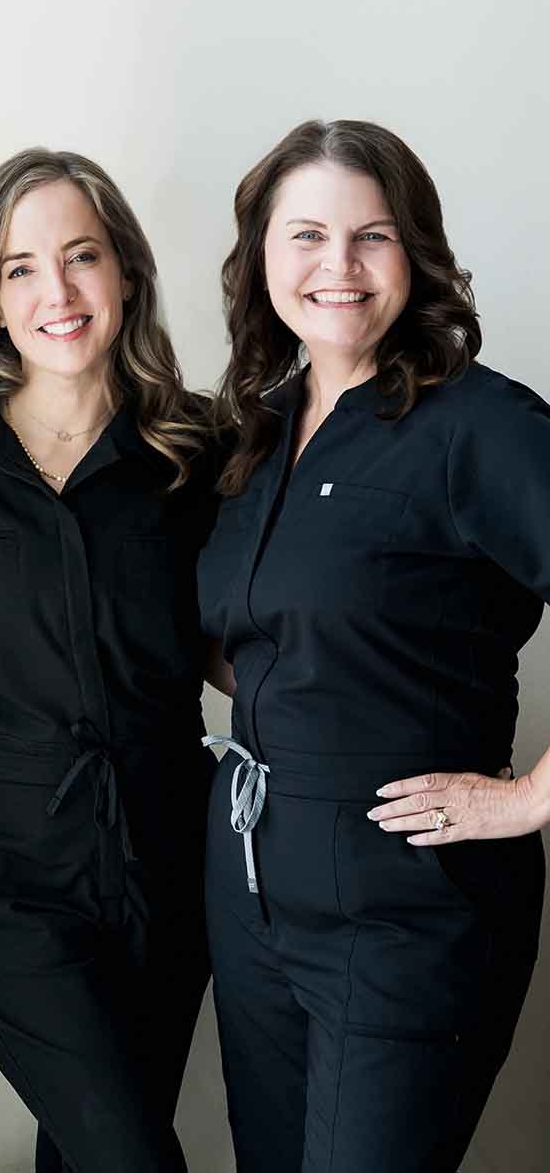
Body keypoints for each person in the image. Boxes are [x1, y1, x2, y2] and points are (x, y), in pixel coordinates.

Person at [197, 118, 548, 1173]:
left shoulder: (480, 427)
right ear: (262, 258)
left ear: (418, 255)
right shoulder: (253, 431)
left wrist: (526, 798)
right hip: (249, 890)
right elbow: (262, 641)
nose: (335, 268)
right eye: (304, 236)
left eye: (373, 237)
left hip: (407, 906)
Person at [0, 148, 218, 1173]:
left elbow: (225, 649)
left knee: (89, 1151)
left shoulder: (196, 453)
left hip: (172, 861)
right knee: (129, 1156)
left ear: (125, 273)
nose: (57, 292)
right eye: (21, 268)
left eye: (81, 256)